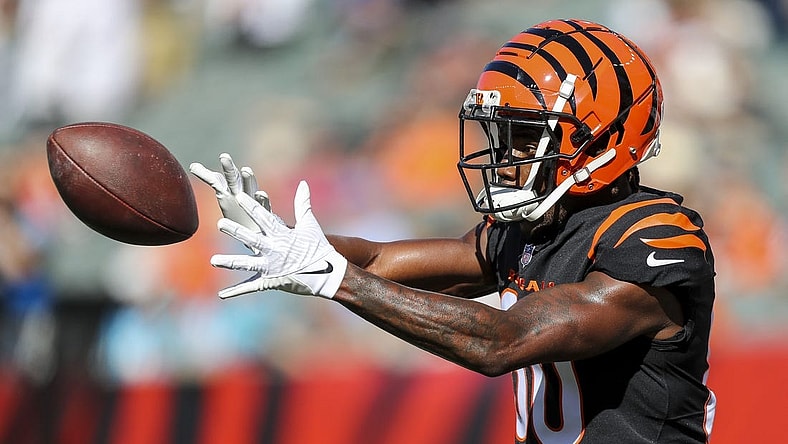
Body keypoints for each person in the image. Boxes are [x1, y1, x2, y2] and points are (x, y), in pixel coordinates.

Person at [190, 18, 717, 443]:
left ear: (600, 141)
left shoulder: (656, 239)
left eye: (525, 138)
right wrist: (286, 239)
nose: (504, 159)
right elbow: (375, 262)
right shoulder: (530, 226)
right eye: (500, 135)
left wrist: (333, 278)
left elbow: (506, 341)